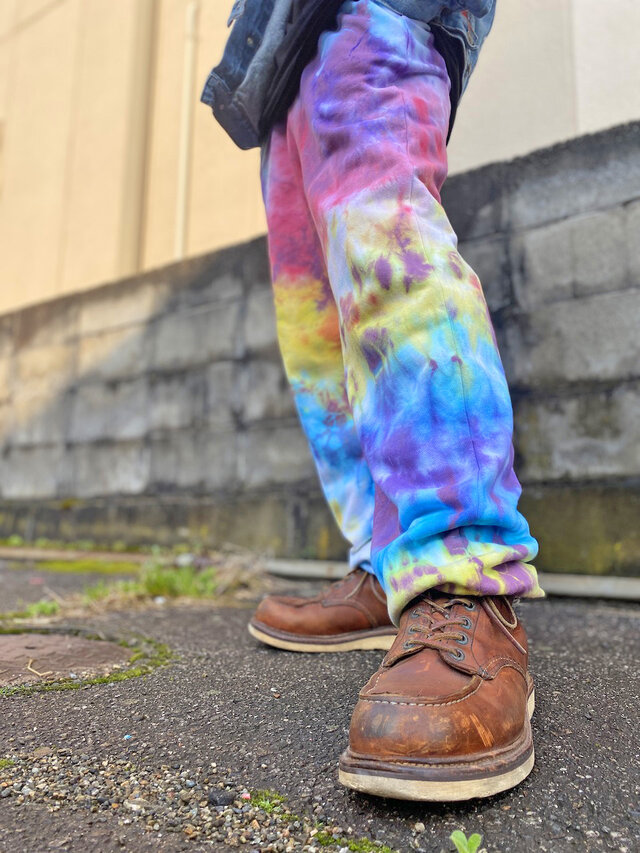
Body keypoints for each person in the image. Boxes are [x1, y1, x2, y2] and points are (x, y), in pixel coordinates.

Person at [202, 0, 544, 802]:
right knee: (318, 322)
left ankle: (464, 574)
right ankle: (386, 562)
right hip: (282, 48)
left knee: (385, 238)